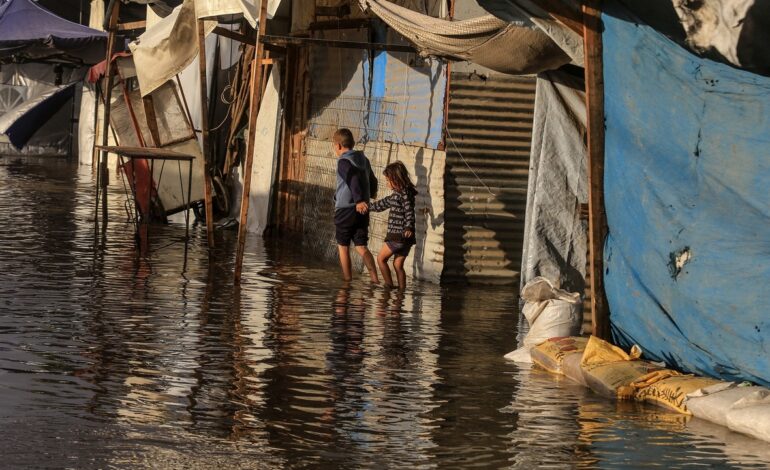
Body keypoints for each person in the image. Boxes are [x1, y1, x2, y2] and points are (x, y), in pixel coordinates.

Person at [332, 128, 379, 283]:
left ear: (338, 146)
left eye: (334, 146)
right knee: (361, 246)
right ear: (352, 143)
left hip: (346, 209)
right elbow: (373, 180)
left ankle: (347, 281)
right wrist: (370, 195)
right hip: (362, 210)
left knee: (343, 246)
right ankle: (375, 279)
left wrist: (358, 200)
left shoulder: (343, 161)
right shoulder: (364, 160)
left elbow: (352, 179)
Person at [362, 161, 417, 290]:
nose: (387, 183)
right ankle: (401, 292)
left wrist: (408, 227)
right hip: (407, 239)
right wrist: (366, 207)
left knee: (381, 259)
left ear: (396, 179)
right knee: (398, 265)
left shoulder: (403, 194)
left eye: (388, 180)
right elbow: (381, 205)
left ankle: (388, 285)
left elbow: (409, 211)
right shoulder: (401, 194)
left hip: (397, 235)